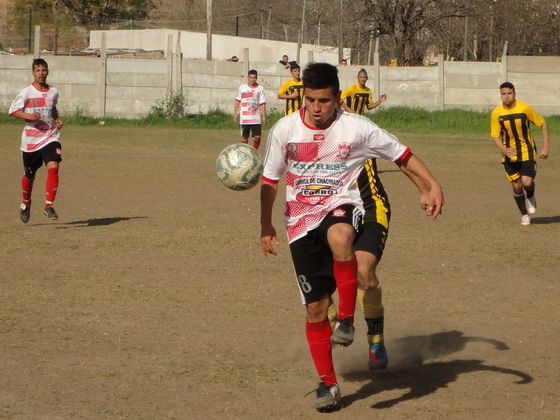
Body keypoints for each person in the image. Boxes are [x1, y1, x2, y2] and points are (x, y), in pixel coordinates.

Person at [260, 62, 443, 411]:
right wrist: (265, 225)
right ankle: (327, 385)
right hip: (299, 221)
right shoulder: (285, 130)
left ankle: (348, 320)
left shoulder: (356, 127)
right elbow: (270, 180)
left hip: (344, 203)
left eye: (324, 101)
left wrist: (431, 185)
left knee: (343, 240)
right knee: (315, 309)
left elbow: (402, 155)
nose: (316, 108)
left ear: (338, 98)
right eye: (310, 100)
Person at [9, 58, 64, 223]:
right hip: (31, 140)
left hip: (49, 136)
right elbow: (13, 111)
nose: (41, 73)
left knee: (53, 166)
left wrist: (57, 119)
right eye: (38, 70)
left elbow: (52, 108)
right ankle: (26, 203)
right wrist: (28, 116)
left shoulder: (54, 91)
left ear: (48, 72)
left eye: (44, 70)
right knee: (29, 175)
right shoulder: (27, 92)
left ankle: (49, 206)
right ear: (33, 72)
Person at [491, 82, 550, 225]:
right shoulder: (497, 113)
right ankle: (524, 214)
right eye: (503, 94)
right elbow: (495, 136)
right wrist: (504, 150)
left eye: (509, 93)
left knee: (527, 181)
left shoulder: (524, 108)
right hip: (509, 154)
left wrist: (546, 147)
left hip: (526, 151)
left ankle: (530, 195)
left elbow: (542, 123)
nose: (506, 96)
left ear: (514, 94)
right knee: (517, 186)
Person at [233, 69, 267, 149]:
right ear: (248, 77)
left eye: (254, 77)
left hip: (256, 117)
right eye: (251, 77)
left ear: (257, 78)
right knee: (244, 137)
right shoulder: (242, 87)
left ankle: (254, 151)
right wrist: (235, 114)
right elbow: (237, 100)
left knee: (257, 136)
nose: (253, 79)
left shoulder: (260, 88)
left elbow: (262, 103)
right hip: (245, 117)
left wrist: (264, 116)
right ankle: (245, 153)